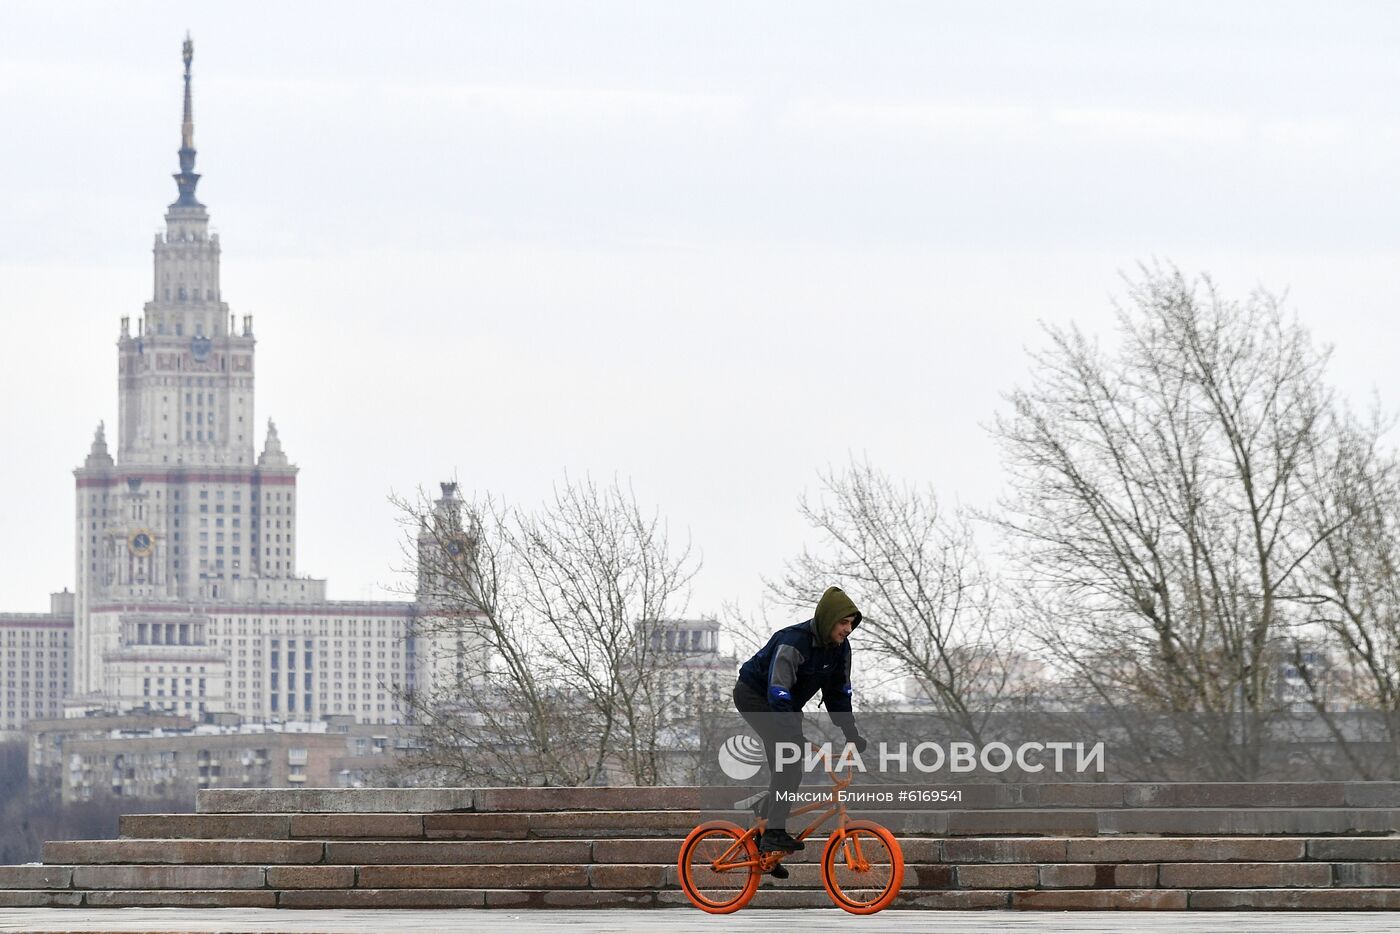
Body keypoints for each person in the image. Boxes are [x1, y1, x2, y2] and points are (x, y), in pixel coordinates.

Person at [734, 586, 868, 863]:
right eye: (843, 623)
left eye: (851, 625)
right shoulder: (793, 641)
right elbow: (778, 689)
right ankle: (773, 832)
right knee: (789, 761)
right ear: (829, 619)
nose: (848, 630)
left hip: (786, 704)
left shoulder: (840, 650)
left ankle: (764, 830)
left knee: (791, 766)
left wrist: (851, 732)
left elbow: (839, 693)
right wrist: (792, 733)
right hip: (756, 695)